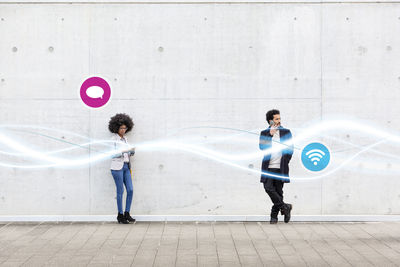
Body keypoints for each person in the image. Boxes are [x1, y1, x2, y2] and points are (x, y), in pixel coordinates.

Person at [259, 109, 294, 224]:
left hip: (281, 167)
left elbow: (290, 149)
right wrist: (270, 135)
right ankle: (285, 207)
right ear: (270, 121)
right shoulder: (264, 133)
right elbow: (262, 148)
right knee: (268, 188)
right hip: (268, 167)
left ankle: (274, 216)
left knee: (278, 191)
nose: (279, 121)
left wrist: (285, 161)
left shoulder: (286, 132)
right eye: (276, 119)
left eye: (279, 118)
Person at [108, 113, 136, 224]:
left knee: (130, 190)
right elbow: (111, 155)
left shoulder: (125, 140)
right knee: (120, 191)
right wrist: (123, 151)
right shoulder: (113, 140)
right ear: (116, 127)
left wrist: (131, 151)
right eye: (121, 128)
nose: (123, 130)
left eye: (125, 128)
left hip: (126, 166)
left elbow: (128, 153)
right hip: (117, 168)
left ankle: (127, 213)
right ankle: (120, 215)